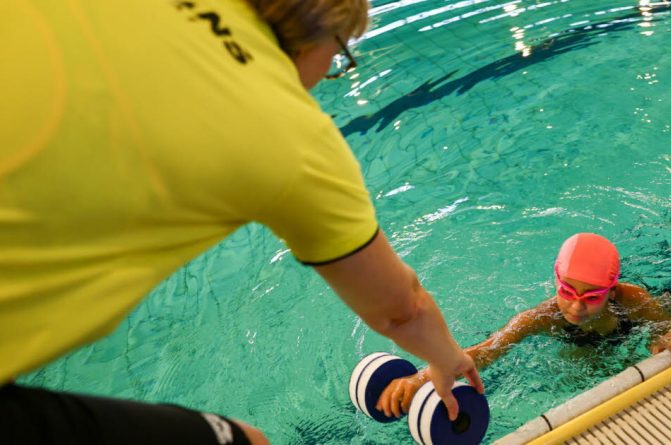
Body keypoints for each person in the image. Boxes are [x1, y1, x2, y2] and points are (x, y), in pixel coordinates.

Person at [0, 1, 482, 444]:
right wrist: (447, 359)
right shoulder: (295, 139)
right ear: (319, 41)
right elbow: (401, 308)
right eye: (340, 55)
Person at [377, 232, 671, 419]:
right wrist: (422, 376)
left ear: (612, 289)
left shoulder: (632, 298)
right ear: (556, 280)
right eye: (567, 291)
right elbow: (488, 349)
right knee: (580, 373)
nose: (576, 306)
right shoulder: (540, 317)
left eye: (591, 296)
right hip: (586, 346)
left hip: (654, 311)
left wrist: (668, 336)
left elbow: (666, 325)